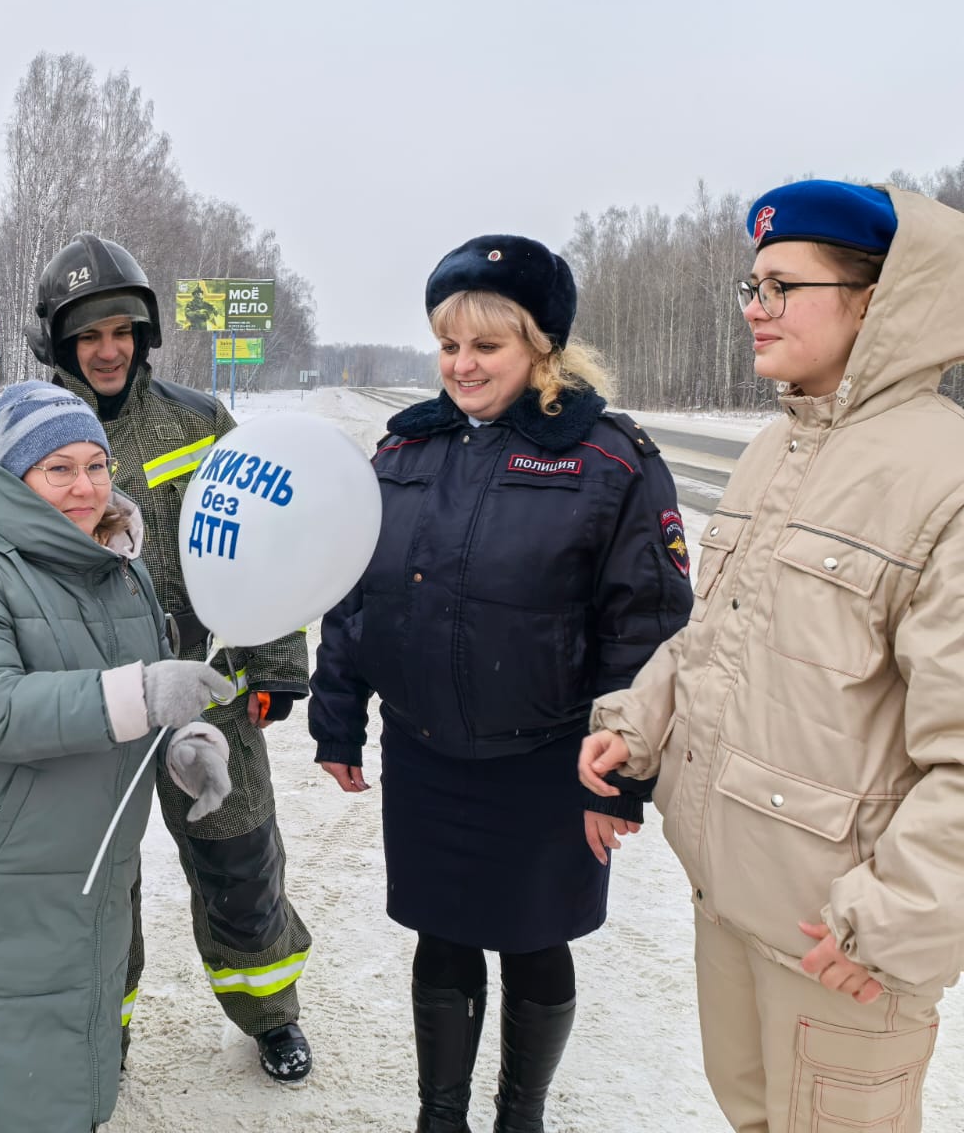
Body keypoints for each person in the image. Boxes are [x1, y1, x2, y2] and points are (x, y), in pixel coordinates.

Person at [580, 181, 964, 1132]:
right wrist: (639, 722)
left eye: (782, 287)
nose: (756, 311)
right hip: (736, 900)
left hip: (843, 938)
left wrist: (888, 925)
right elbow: (723, 633)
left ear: (877, 300)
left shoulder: (942, 478)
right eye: (750, 288)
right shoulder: (773, 451)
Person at [310, 234, 693, 1132]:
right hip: (428, 752)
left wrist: (626, 777)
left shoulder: (607, 460)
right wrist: (337, 721)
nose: (462, 364)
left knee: (534, 940)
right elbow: (354, 594)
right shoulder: (403, 453)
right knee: (441, 936)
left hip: (549, 758)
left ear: (540, 348)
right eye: (449, 344)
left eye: (487, 345)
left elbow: (648, 632)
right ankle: (439, 1117)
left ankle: (521, 1115)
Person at [0, 381, 235, 1133]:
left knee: (67, 1088)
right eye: (57, 469)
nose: (85, 488)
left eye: (96, 466)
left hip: (84, 890)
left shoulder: (117, 568)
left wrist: (183, 745)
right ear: (14, 476)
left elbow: (124, 704)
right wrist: (144, 691)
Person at [32, 233, 317, 1083]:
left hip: (203, 690)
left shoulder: (198, 423)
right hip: (92, 700)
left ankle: (269, 1012)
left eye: (121, 330)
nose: (108, 349)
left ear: (145, 334)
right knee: (94, 885)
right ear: (62, 344)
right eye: (89, 335)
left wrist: (274, 664)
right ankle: (98, 1037)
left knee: (238, 860)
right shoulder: (29, 437)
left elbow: (255, 546)